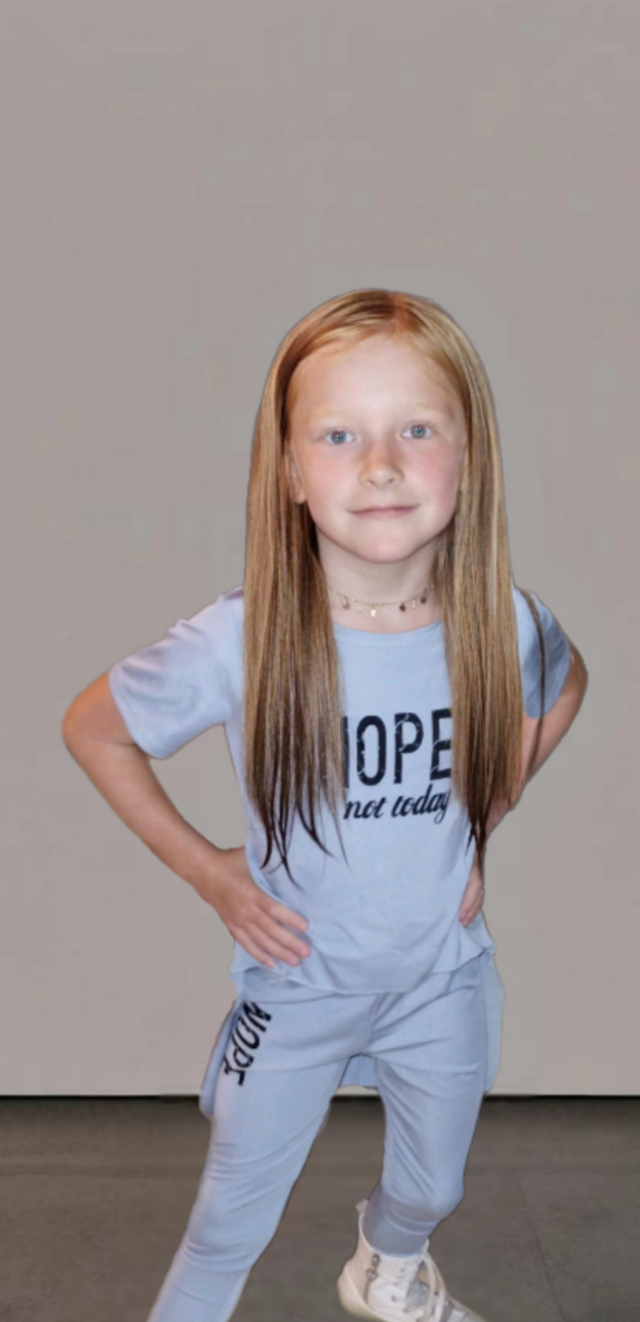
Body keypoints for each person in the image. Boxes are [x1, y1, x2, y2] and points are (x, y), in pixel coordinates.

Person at [62, 289, 588, 1322]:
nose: (381, 464)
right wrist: (210, 872)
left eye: (417, 429)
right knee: (227, 1224)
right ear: (293, 472)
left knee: (433, 1189)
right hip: (299, 983)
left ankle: (388, 1267)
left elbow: (563, 687)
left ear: (470, 456)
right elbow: (95, 728)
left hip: (439, 976)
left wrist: (486, 813)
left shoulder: (505, 622)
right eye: (340, 435)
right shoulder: (240, 640)